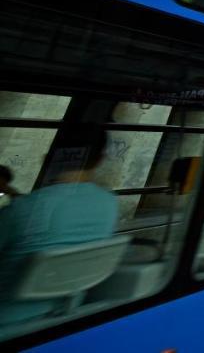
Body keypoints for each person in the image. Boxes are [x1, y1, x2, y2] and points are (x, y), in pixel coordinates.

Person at [0, 125, 119, 325]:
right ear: (99, 160)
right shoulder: (108, 203)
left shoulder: (21, 210)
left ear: (48, 158)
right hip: (62, 314)